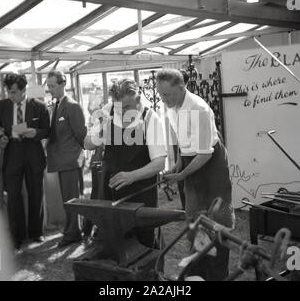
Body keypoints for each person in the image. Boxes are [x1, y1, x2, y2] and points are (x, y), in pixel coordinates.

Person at [156, 69, 234, 281]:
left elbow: (204, 154)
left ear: (182, 88)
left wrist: (181, 176)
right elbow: (185, 143)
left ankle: (218, 275)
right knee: (194, 220)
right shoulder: (172, 106)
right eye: (160, 94)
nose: (163, 99)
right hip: (193, 162)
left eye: (167, 95)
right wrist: (178, 166)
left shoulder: (198, 109)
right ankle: (197, 275)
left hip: (211, 166)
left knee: (217, 222)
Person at [84, 79, 166, 248]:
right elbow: (87, 144)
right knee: (110, 241)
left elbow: (159, 163)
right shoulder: (108, 111)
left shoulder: (151, 119)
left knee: (144, 243)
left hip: (141, 192)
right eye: (118, 108)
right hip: (110, 191)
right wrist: (100, 132)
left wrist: (132, 176)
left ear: (138, 100)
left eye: (127, 107)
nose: (121, 113)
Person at [0, 73, 50, 250]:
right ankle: (16, 236)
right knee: (14, 196)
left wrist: (36, 133)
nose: (11, 95)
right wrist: (1, 137)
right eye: (9, 92)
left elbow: (47, 130)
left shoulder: (40, 106)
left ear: (24, 90)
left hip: (34, 154)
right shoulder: (0, 105)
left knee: (36, 193)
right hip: (12, 155)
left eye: (14, 92)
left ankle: (36, 232)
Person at [46, 70, 87, 248]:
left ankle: (73, 233)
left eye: (52, 86)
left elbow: (81, 135)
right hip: (62, 161)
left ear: (63, 84)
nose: (50, 90)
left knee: (72, 200)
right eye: (48, 86)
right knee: (68, 200)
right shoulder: (57, 105)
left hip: (70, 160)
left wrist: (79, 156)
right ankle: (73, 231)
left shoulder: (72, 106)